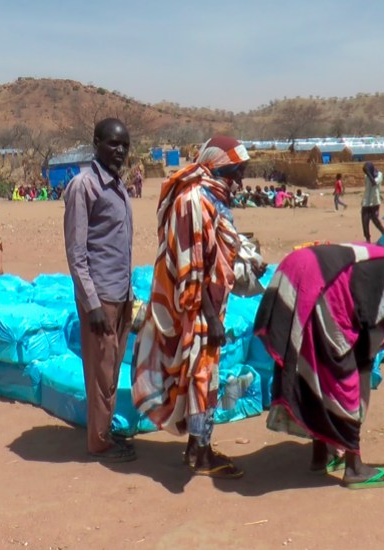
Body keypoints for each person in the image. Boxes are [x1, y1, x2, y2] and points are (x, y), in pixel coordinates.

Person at [254, 235, 384, 489]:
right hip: (317, 285)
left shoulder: (377, 260)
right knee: (343, 379)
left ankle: (320, 455)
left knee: (319, 370)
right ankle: (354, 467)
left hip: (298, 270)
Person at [132, 136, 257, 479]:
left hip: (209, 305)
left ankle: (196, 447)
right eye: (236, 172)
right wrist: (207, 314)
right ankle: (201, 455)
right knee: (201, 376)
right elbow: (190, 261)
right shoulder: (192, 201)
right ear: (218, 168)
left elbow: (215, 249)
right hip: (194, 307)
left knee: (202, 376)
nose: (239, 181)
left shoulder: (211, 199)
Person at [63, 118, 135, 462]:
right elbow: (77, 253)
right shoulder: (84, 186)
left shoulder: (119, 187)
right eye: (112, 144)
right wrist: (91, 304)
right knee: (100, 371)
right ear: (96, 143)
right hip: (101, 298)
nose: (119, 151)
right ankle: (98, 442)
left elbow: (121, 246)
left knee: (113, 368)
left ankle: (104, 431)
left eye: (124, 145)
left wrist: (130, 293)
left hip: (121, 294)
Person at [361, 162, 384, 243]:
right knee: (365, 220)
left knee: (375, 219)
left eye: (366, 171)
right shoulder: (366, 176)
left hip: (375, 201)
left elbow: (374, 183)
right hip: (366, 201)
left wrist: (368, 173)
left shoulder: (379, 175)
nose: (365, 173)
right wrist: (367, 173)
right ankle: (367, 239)